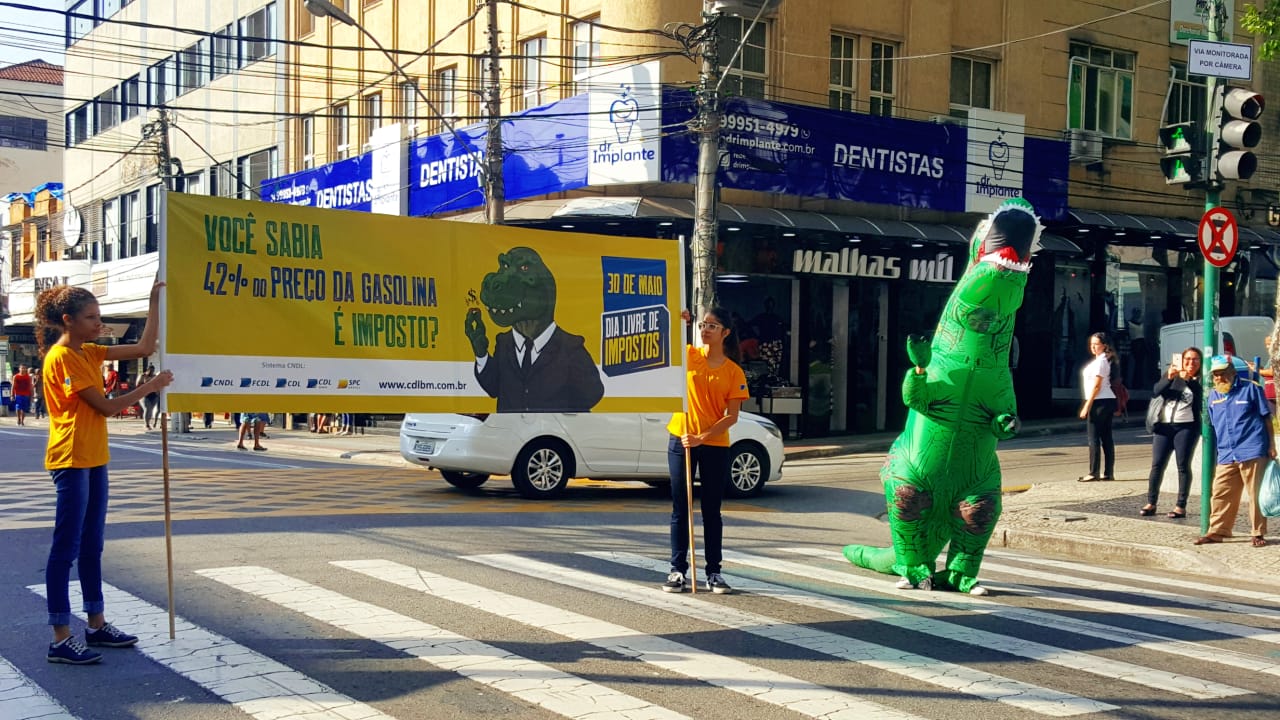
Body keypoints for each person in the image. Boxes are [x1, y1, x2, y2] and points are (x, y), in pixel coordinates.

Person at [35, 280, 173, 665]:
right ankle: (60, 636)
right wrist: (152, 385)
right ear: (68, 321)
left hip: (95, 457)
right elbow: (106, 408)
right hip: (70, 458)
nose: (99, 323)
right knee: (67, 548)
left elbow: (145, 347)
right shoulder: (61, 358)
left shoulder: (90, 351)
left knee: (93, 544)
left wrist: (153, 301)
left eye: (99, 316)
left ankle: (96, 625)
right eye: (91, 318)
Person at [662, 307, 749, 595]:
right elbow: (668, 341)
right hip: (681, 438)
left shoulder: (733, 371)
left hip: (713, 444)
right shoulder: (689, 355)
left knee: (711, 510)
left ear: (725, 333)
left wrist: (703, 436)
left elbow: (731, 416)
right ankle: (677, 570)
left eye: (713, 326)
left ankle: (714, 572)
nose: (706, 330)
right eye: (703, 325)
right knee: (680, 507)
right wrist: (682, 321)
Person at [1195, 354, 1275, 548]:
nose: (1219, 378)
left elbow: (1266, 418)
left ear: (1232, 372)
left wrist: (1272, 445)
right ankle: (1218, 531)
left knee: (1255, 495)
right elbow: (1214, 425)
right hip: (1226, 452)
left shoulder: (1251, 389)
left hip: (1253, 448)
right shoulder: (1213, 395)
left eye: (1223, 373)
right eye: (1215, 375)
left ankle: (1257, 532)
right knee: (1221, 492)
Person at [1141, 347, 1203, 519]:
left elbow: (1199, 394)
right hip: (1164, 426)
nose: (1191, 363)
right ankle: (1151, 502)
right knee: (1157, 465)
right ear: (1181, 361)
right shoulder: (1172, 375)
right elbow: (1156, 391)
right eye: (1188, 359)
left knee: (1182, 466)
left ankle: (1180, 506)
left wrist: (1189, 380)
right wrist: (1169, 376)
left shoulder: (1201, 379)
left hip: (1186, 427)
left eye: (1195, 359)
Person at [1078, 332, 1118, 482]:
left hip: (1100, 401)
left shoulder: (1101, 362)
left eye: (1096, 344)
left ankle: (1093, 472)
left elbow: (1096, 386)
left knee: (1094, 437)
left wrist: (1086, 406)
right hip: (1105, 400)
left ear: (1104, 346)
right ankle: (1108, 472)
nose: (1093, 347)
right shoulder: (1101, 361)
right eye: (1091, 344)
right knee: (1106, 437)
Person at [138, 366, 160, 430]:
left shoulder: (154, 376)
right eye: (150, 370)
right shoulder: (142, 376)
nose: (151, 372)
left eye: (152, 370)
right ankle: (146, 424)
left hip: (153, 394)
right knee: (147, 408)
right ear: (147, 370)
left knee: (150, 410)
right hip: (144, 395)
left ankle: (148, 422)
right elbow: (138, 385)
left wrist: (157, 392)